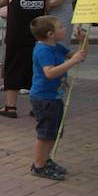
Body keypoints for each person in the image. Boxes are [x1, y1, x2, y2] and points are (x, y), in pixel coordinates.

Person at [28, 16, 86, 181]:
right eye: (61, 26)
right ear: (50, 33)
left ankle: (46, 160)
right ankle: (39, 166)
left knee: (53, 132)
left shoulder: (56, 47)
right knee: (45, 133)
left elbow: (80, 56)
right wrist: (72, 61)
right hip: (44, 97)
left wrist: (83, 42)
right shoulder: (43, 50)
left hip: (54, 96)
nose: (64, 28)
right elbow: (50, 72)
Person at [0, 0, 46, 118]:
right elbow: (47, 7)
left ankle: (10, 107)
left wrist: (6, 1)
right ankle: (37, 107)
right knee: (35, 71)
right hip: (37, 34)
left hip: (16, 35)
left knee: (13, 69)